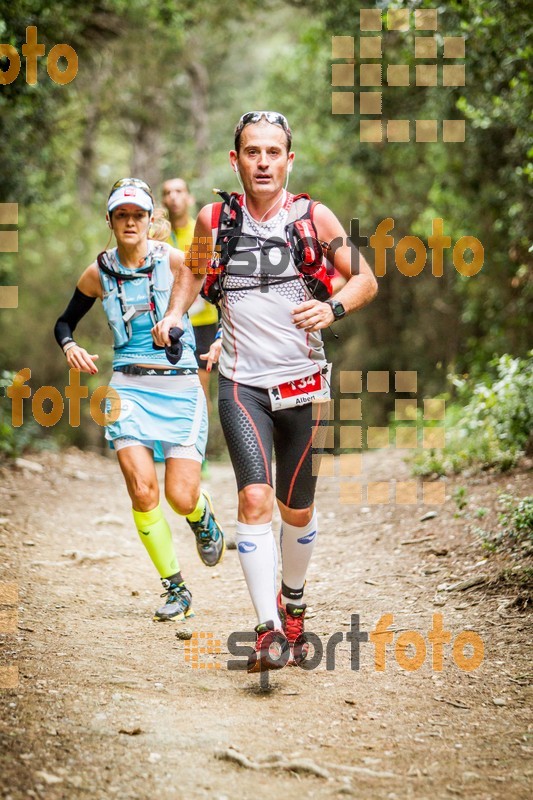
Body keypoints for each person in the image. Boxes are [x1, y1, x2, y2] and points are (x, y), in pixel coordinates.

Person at [153, 112, 378, 671]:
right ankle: (268, 630)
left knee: (295, 510)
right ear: (236, 161)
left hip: (303, 385)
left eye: (273, 152)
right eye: (252, 152)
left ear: (288, 160)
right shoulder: (215, 219)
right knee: (254, 500)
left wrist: (332, 306)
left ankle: (293, 603)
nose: (262, 161)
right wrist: (176, 314)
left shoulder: (313, 217)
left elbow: (366, 278)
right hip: (240, 384)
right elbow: (192, 273)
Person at [54, 177, 225, 622]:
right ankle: (176, 589)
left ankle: (201, 516)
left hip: (180, 382)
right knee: (143, 490)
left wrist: (223, 338)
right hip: (128, 386)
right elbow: (64, 322)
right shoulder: (97, 272)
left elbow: (220, 296)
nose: (130, 222)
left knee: (180, 495)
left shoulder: (173, 259)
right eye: (121, 215)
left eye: (138, 215)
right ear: (110, 220)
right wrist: (70, 345)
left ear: (151, 221)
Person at [162, 179, 219, 433]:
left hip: (202, 321)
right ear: (163, 201)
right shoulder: (159, 234)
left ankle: (199, 447)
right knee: (171, 385)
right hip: (170, 319)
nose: (173, 197)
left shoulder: (202, 230)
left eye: (179, 192)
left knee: (199, 385)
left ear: (189, 198)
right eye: (167, 193)